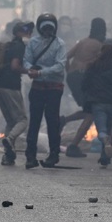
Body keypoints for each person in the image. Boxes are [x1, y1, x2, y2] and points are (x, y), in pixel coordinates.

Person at [23, 13, 67, 169]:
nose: (48, 30)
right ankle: (30, 156)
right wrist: (30, 69)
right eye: (45, 27)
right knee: (34, 122)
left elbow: (60, 66)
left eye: (50, 27)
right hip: (38, 88)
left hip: (54, 88)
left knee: (52, 122)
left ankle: (53, 155)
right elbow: (26, 60)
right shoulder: (33, 43)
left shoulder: (60, 44)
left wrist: (40, 72)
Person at [64, 17, 107, 158]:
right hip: (82, 79)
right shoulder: (100, 45)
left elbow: (66, 57)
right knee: (91, 113)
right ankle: (73, 145)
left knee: (88, 109)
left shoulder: (83, 41)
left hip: (72, 77)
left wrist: (70, 72)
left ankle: (63, 121)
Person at [0, 21, 32, 166]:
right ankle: (9, 139)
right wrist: (29, 71)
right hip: (10, 85)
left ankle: (8, 156)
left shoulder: (8, 45)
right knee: (22, 120)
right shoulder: (19, 46)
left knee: (10, 120)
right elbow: (15, 66)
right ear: (21, 33)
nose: (30, 34)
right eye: (28, 31)